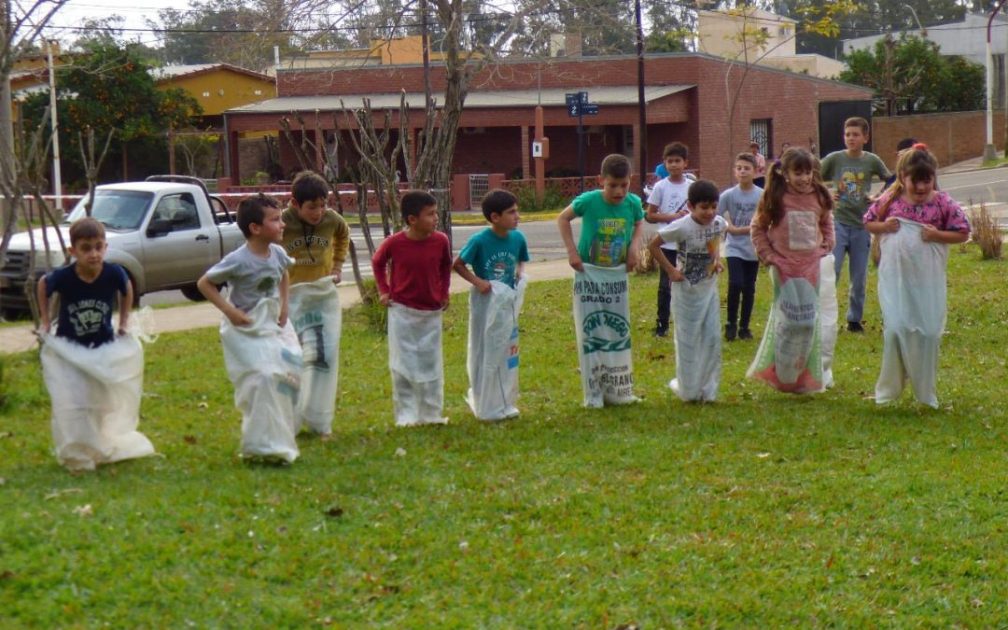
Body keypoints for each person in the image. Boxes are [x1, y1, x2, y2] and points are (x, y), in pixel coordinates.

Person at [36, 217, 155, 471]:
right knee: (76, 401)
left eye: (99, 247)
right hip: (71, 349)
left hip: (102, 347)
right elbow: (43, 284)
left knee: (101, 400)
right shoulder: (66, 277)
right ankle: (78, 447)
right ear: (73, 251)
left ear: (106, 247)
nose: (94, 254)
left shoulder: (113, 273)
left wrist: (124, 320)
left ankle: (99, 441)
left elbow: (126, 287)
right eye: (86, 248)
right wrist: (46, 322)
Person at [198, 194, 302, 463]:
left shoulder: (277, 253)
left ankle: (280, 432)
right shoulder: (239, 260)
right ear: (255, 228)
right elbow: (204, 284)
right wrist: (230, 311)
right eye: (276, 220)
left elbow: (284, 273)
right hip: (246, 329)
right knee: (264, 377)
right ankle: (260, 445)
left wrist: (284, 305)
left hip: (273, 323)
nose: (282, 225)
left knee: (291, 368)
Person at [864, 144, 969, 408]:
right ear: (902, 177)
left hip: (927, 283)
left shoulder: (942, 203)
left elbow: (962, 232)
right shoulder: (891, 199)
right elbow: (868, 221)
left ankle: (925, 390)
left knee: (929, 333)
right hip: (897, 282)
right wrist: (884, 227)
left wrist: (936, 235)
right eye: (915, 181)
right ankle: (890, 389)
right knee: (897, 330)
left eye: (927, 180)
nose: (922, 188)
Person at [558, 153, 644, 407]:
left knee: (618, 331)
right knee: (591, 332)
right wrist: (572, 252)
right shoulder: (589, 201)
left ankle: (619, 389)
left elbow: (639, 223)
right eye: (612, 186)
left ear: (631, 181)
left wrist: (634, 248)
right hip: (589, 272)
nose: (619, 192)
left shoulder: (633, 203)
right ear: (601, 181)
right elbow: (563, 218)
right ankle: (593, 392)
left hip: (616, 274)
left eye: (624, 185)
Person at [748, 148, 835, 393]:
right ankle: (781, 372)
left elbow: (827, 221)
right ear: (785, 173)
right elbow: (757, 228)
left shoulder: (819, 195)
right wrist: (769, 256)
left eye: (808, 172)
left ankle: (803, 374)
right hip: (784, 268)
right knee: (789, 322)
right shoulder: (776, 197)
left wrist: (827, 243)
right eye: (798, 173)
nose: (804, 178)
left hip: (811, 266)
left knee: (808, 322)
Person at [372, 190, 453, 426]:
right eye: (430, 214)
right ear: (412, 220)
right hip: (402, 311)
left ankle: (431, 413)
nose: (436, 218)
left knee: (430, 363)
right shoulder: (394, 243)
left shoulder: (441, 241)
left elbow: (445, 266)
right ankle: (406, 415)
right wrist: (383, 290)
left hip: (430, 312)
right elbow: (377, 262)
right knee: (403, 364)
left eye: (436, 213)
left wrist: (444, 292)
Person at [281, 171, 350, 439]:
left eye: (323, 205)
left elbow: (343, 236)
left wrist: (337, 265)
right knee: (292, 357)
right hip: (291, 297)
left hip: (321, 298)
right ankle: (290, 418)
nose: (318, 212)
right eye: (312, 207)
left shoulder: (332, 220)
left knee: (323, 357)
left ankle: (320, 419)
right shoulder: (282, 222)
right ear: (295, 203)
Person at [647, 179, 727, 402]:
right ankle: (688, 389)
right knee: (688, 340)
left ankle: (708, 390)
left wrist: (716, 261)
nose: (709, 212)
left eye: (713, 206)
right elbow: (653, 245)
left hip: (708, 289)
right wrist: (671, 270)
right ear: (691, 206)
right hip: (686, 293)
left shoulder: (718, 223)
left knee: (711, 338)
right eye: (704, 207)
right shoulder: (682, 225)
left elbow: (713, 243)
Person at [453, 188, 529, 420]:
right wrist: (478, 282)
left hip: (507, 302)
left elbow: (521, 261)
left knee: (507, 350)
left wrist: (518, 275)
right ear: (495, 217)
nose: (517, 216)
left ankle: (505, 401)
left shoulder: (517, 237)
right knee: (485, 348)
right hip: (486, 302)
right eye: (511, 212)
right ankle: (486, 402)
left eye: (517, 211)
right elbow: (457, 264)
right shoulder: (480, 240)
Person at [820, 116, 892, 333]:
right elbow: (813, 176)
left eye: (855, 135)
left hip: (862, 225)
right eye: (847, 134)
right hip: (839, 223)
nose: (851, 138)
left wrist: (878, 197)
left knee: (859, 277)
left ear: (865, 137)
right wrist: (827, 194)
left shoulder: (871, 161)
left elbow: (891, 180)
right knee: (833, 270)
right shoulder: (834, 159)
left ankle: (854, 319)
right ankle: (825, 315)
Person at [645, 142, 692, 337]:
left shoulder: (692, 186)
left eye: (677, 161)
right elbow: (650, 215)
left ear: (685, 163)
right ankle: (662, 325)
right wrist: (671, 217)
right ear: (664, 164)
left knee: (689, 284)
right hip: (666, 243)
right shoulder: (660, 187)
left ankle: (688, 323)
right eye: (669, 161)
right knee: (666, 285)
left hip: (687, 244)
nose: (673, 165)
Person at [719, 152, 763, 341]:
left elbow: (764, 221)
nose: (743, 172)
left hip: (753, 248)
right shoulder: (728, 195)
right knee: (735, 283)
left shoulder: (762, 195)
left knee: (749, 287)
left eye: (747, 168)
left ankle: (744, 326)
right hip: (734, 248)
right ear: (734, 171)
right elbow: (717, 218)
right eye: (739, 168)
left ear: (755, 171)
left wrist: (741, 229)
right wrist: (730, 228)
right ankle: (730, 323)